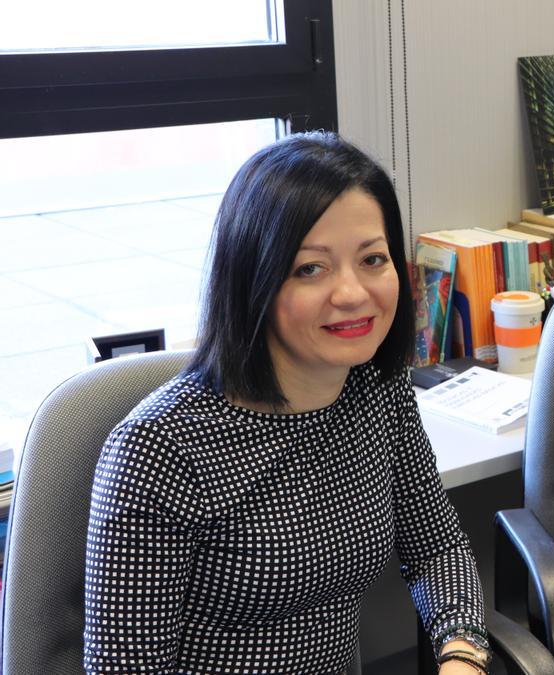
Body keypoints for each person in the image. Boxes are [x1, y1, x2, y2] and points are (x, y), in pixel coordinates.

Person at [83, 132, 490, 674]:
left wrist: (463, 656)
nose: (351, 292)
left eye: (372, 259)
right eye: (309, 268)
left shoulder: (377, 389)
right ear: (254, 280)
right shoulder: (159, 450)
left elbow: (437, 547)